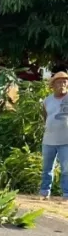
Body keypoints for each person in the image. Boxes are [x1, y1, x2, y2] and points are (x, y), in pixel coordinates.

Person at [40, 71, 68, 201]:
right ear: (53, 85)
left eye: (64, 81)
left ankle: (66, 194)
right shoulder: (47, 100)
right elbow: (45, 117)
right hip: (49, 140)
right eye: (59, 82)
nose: (62, 84)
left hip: (66, 141)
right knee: (47, 168)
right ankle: (45, 192)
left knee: (66, 169)